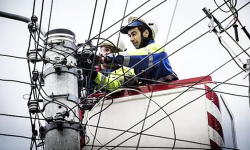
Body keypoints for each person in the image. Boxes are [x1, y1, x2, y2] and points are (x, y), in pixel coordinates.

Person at [102, 16, 178, 83]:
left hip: (169, 93)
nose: (131, 39)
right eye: (129, 36)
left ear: (146, 33)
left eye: (134, 34)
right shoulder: (137, 63)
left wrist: (110, 58)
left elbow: (140, 56)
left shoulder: (157, 49)